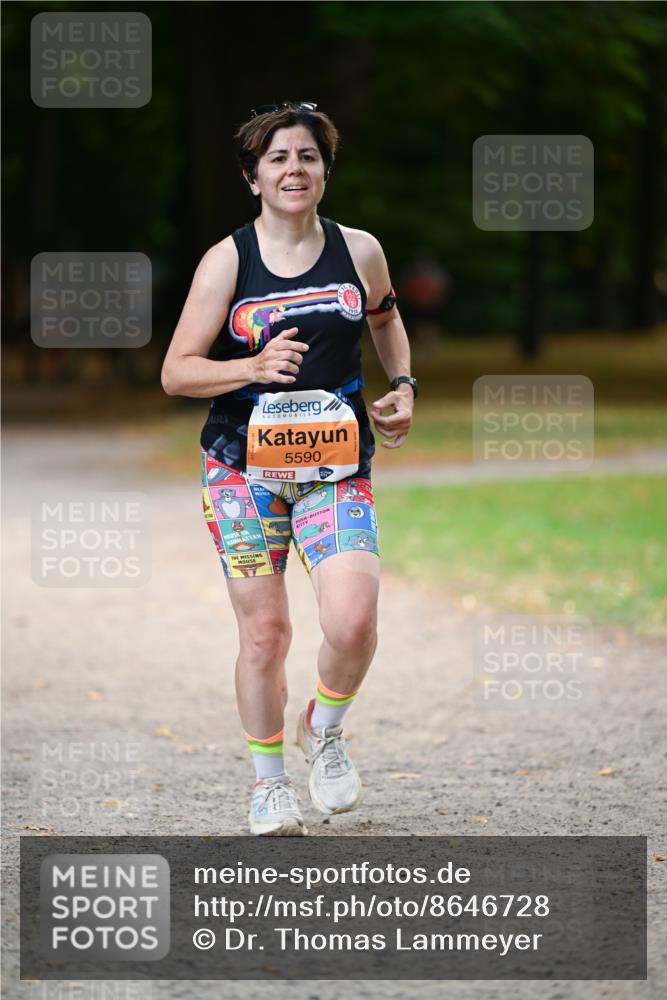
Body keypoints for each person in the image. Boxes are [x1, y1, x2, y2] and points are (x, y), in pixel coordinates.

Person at [161, 101, 417, 836]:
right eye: (277, 159)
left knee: (353, 620)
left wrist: (401, 386)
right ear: (253, 177)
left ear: (325, 171)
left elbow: (385, 317)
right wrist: (251, 365)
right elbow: (176, 373)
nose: (293, 169)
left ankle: (324, 727)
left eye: (307, 156)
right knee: (266, 635)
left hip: (334, 469)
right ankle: (269, 785)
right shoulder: (228, 260)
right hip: (240, 474)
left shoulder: (359, 251)